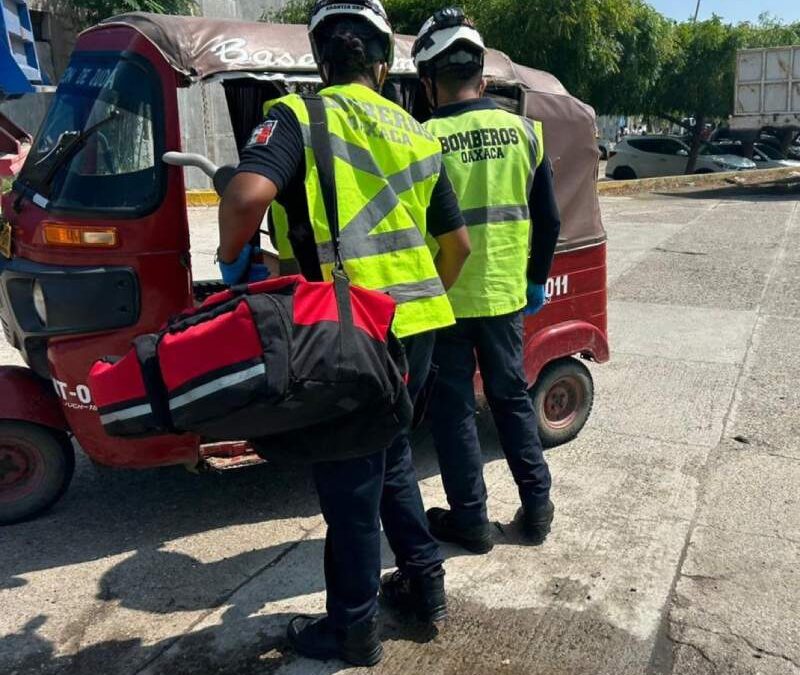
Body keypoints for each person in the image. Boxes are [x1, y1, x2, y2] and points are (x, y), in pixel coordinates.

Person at [217, 0, 471, 667]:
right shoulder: (419, 133)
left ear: (322, 60)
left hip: (346, 334)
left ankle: (354, 630)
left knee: (349, 486)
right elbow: (459, 246)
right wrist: (421, 299)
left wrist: (230, 253)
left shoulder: (297, 116)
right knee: (390, 462)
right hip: (416, 328)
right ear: (384, 65)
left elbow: (246, 197)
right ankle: (425, 581)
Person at [412, 8, 561, 554]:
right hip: (504, 295)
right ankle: (538, 508)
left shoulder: (421, 137)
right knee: (511, 400)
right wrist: (536, 279)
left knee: (452, 412)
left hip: (444, 295)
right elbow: (550, 220)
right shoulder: (525, 132)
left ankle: (471, 522)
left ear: (429, 81)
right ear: (482, 74)